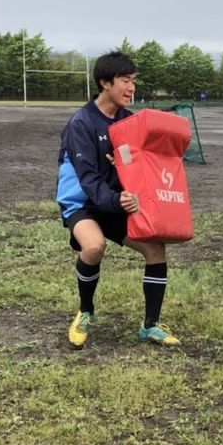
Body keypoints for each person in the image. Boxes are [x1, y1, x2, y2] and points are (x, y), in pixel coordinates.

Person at [56, 50, 179, 348]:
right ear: (105, 82)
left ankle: (150, 326)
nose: (132, 87)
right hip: (84, 203)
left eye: (134, 80)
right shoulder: (81, 124)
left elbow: (141, 168)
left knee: (155, 248)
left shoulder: (130, 122)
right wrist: (116, 199)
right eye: (125, 80)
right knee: (94, 245)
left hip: (115, 201)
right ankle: (85, 311)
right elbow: (87, 179)